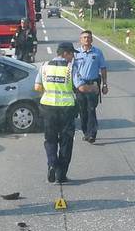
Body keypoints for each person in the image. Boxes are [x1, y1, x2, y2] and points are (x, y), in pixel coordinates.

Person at [34, 42, 95, 183]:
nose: (73, 56)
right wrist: (93, 88)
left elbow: (37, 87)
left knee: (50, 139)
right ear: (65, 53)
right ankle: (61, 175)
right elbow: (81, 88)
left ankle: (52, 163)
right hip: (66, 110)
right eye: (71, 53)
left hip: (48, 108)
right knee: (66, 142)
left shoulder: (44, 66)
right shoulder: (69, 68)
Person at [73, 30, 108, 143]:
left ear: (92, 39)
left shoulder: (98, 53)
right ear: (80, 40)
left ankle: (92, 133)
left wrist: (105, 84)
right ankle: (86, 132)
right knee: (82, 110)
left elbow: (103, 68)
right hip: (80, 86)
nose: (86, 39)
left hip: (93, 85)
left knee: (91, 109)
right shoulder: (76, 53)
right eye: (84, 37)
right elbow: (72, 70)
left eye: (88, 37)